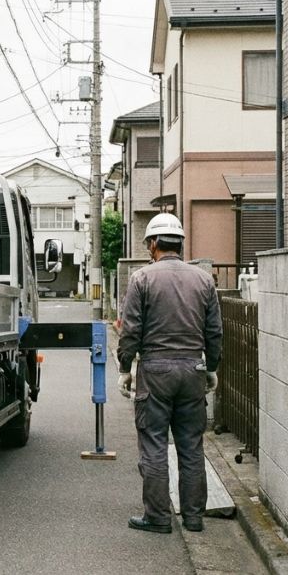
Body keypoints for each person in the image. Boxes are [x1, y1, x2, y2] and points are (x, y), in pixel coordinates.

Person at [116, 213, 222, 534]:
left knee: (154, 444)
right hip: (193, 369)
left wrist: (125, 368)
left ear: (152, 244)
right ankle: (193, 517)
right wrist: (212, 368)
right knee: (191, 444)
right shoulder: (203, 280)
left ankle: (159, 517)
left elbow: (131, 330)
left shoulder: (142, 279)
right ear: (180, 243)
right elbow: (214, 331)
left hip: (155, 371)